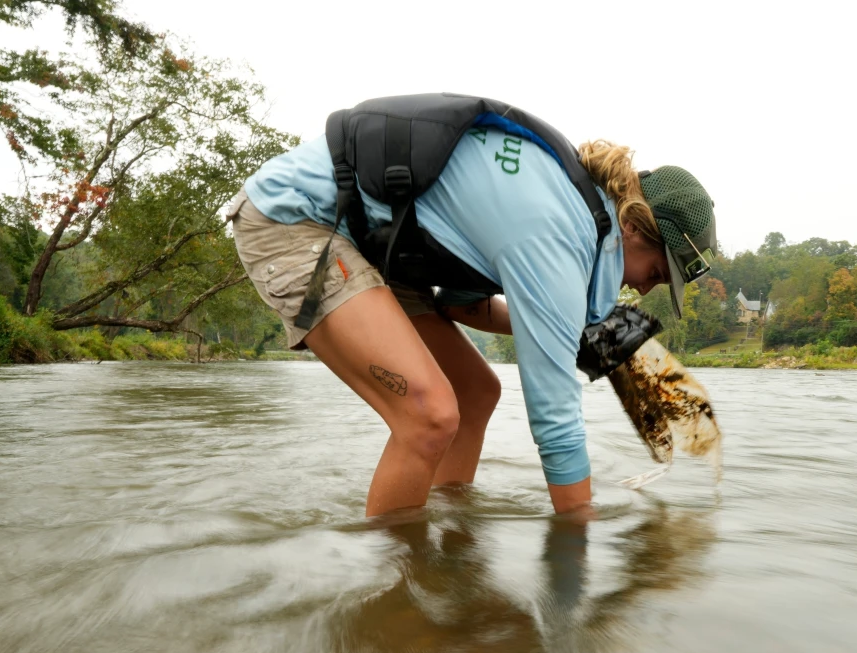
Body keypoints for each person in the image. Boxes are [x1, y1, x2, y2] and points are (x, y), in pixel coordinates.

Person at [228, 98, 718, 519]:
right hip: (297, 220)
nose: (649, 290)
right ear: (634, 226)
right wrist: (578, 533)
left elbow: (464, 307)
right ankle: (393, 598)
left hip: (378, 242)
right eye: (657, 272)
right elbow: (555, 419)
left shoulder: (571, 211)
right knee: (428, 414)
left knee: (474, 392)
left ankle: (447, 537)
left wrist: (571, 336)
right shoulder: (557, 231)